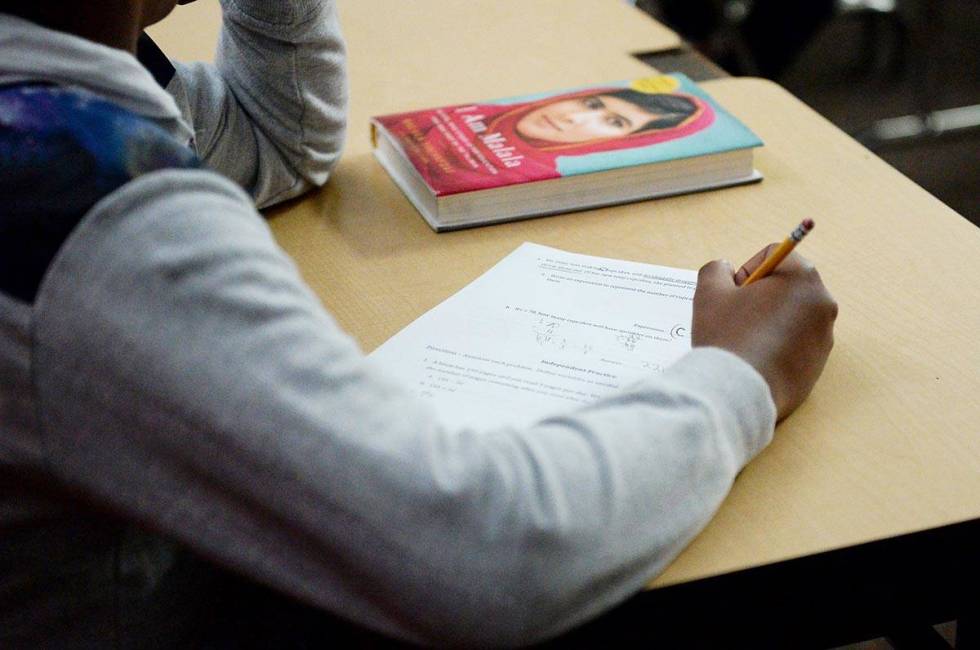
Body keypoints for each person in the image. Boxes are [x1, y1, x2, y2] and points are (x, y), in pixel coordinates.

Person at [0, 0, 837, 646]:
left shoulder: (54, 80)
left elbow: (272, 138)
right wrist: (741, 372)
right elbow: (492, 553)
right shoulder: (85, 204)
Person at [376, 86, 714, 194]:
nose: (574, 117)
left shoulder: (523, 179)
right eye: (593, 103)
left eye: (613, 122)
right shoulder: (474, 111)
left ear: (620, 143)